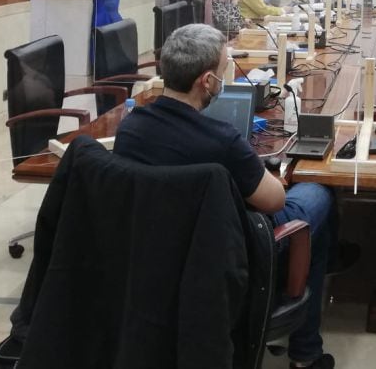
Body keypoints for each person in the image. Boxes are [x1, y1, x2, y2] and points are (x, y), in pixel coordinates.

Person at [115, 25, 341, 369]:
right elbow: (275, 201)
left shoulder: (130, 128)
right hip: (229, 244)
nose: (224, 79)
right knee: (317, 195)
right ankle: (306, 351)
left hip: (155, 243)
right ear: (206, 81)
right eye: (223, 71)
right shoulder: (221, 139)